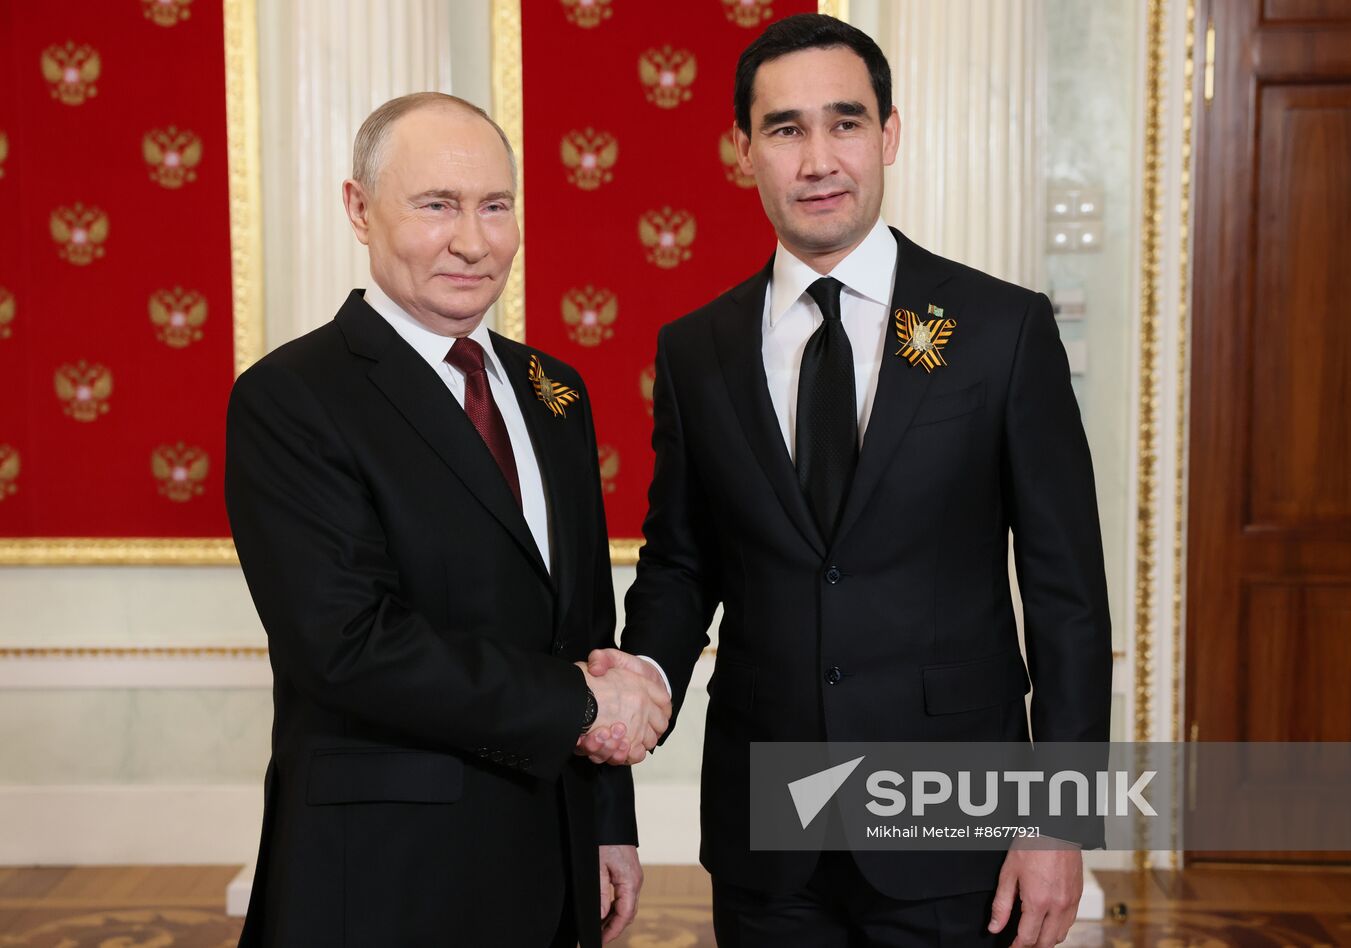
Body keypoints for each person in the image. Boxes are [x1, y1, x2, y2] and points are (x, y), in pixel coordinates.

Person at [584, 14, 1111, 947]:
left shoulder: (1002, 330)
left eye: (846, 122)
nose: (818, 157)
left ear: (889, 134)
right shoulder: (697, 350)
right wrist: (643, 690)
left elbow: (1066, 594)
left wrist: (1059, 813)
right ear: (745, 150)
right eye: (785, 129)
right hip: (769, 824)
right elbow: (679, 564)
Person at [226, 92, 669, 948]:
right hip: (387, 870)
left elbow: (585, 627)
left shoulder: (556, 392)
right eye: (437, 205)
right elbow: (346, 643)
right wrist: (582, 701)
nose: (474, 240)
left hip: (550, 853)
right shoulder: (293, 397)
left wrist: (608, 818)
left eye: (495, 206)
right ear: (359, 209)